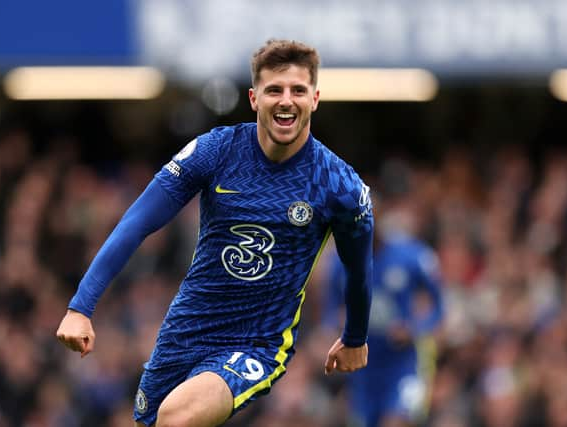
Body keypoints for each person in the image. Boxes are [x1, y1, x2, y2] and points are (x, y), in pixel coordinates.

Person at [56, 39, 375, 427]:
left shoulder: (338, 185)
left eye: (298, 90)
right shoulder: (216, 151)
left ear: (315, 99)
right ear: (254, 98)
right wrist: (80, 307)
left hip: (256, 344)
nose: (286, 100)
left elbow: (359, 270)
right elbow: (137, 222)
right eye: (274, 90)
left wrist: (355, 337)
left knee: (176, 419)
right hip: (185, 330)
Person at [322, 160, 444, 427]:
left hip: (402, 364)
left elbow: (438, 306)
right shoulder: (337, 263)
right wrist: (337, 325)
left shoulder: (412, 256)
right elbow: (330, 311)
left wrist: (414, 327)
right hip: (363, 371)